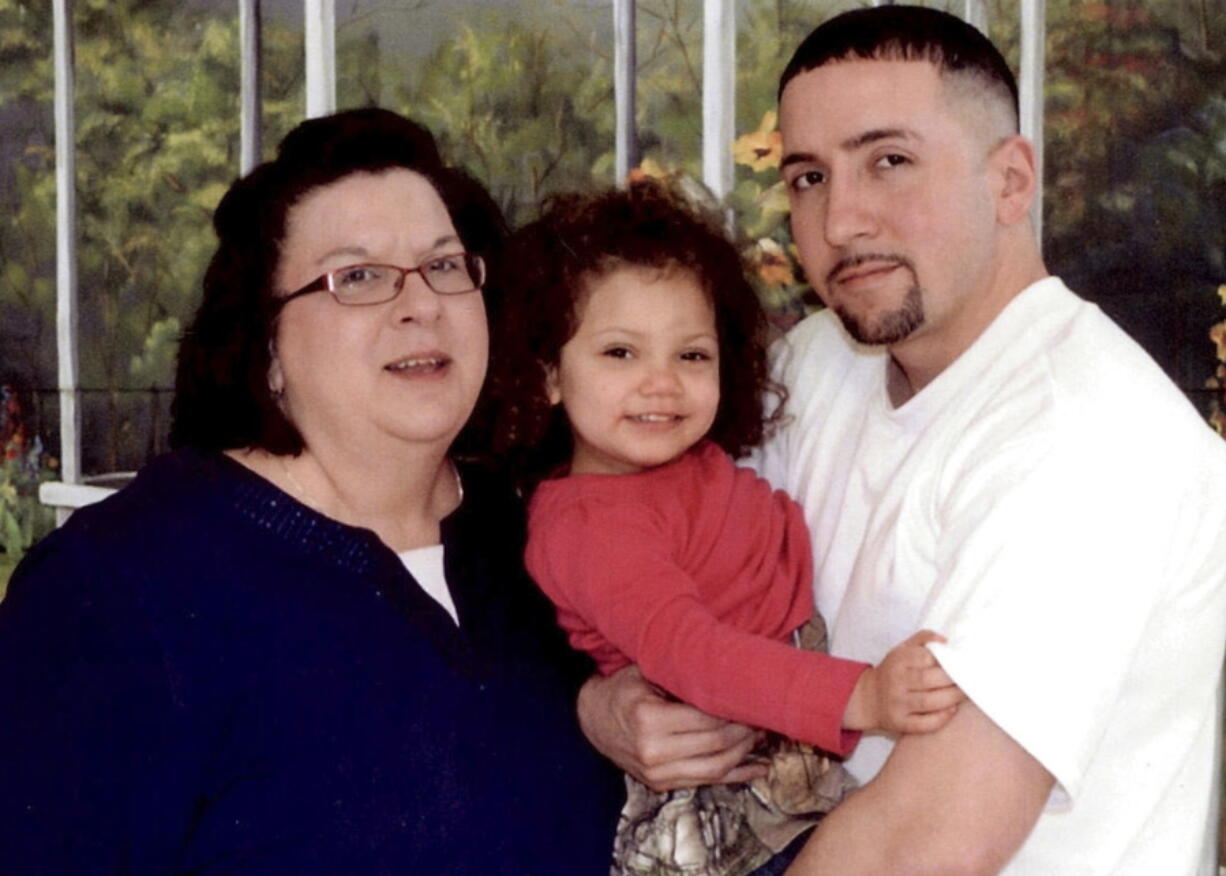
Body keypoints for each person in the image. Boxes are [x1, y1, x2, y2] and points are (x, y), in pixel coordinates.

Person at [580, 7, 1226, 874]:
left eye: (890, 161)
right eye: (809, 177)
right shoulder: (818, 364)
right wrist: (604, 703)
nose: (842, 219)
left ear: (1010, 182)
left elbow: (913, 848)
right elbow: (634, 558)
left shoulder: (1091, 438)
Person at [0, 108, 623, 873]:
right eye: (357, 276)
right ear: (266, 345)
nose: (421, 303)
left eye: (445, 265)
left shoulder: (541, 533)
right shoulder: (115, 589)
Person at [491, 182, 963, 876]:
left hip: (782, 758)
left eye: (691, 355)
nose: (662, 383)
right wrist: (864, 695)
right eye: (621, 353)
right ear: (549, 376)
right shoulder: (588, 526)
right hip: (726, 801)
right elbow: (694, 653)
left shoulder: (688, 466)